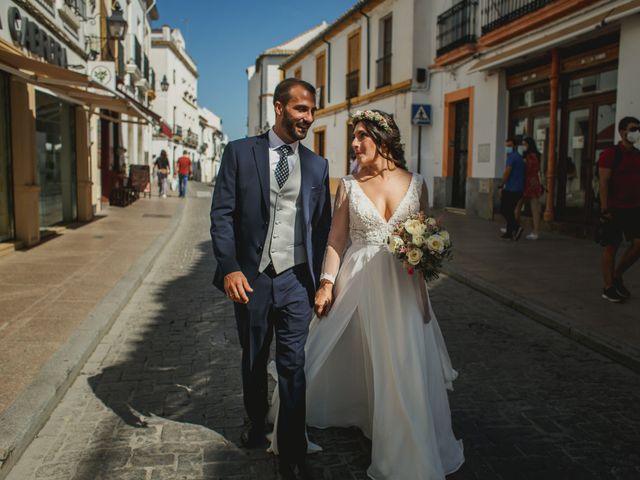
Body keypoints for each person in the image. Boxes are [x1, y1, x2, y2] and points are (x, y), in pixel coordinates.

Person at [268, 110, 464, 479]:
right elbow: (336, 240)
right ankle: (355, 413)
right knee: (339, 351)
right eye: (353, 138)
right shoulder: (349, 184)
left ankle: (406, 448)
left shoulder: (417, 183)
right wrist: (326, 283)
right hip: (357, 281)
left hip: (402, 286)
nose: (354, 145)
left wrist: (426, 268)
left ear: (383, 138)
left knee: (402, 363)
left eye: (361, 136)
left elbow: (426, 231)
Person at [210, 78, 332, 480]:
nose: (308, 118)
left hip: (296, 279)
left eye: (312, 110)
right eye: (301, 109)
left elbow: (321, 227)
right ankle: (255, 418)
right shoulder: (239, 153)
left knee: (293, 364)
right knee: (254, 357)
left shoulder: (317, 165)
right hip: (252, 278)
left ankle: (292, 448)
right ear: (278, 108)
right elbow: (222, 215)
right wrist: (229, 267)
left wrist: (323, 281)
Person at [598, 116, 640, 302]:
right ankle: (608, 288)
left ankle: (616, 275)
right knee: (611, 247)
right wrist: (605, 208)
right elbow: (604, 181)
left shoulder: (638, 155)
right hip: (614, 208)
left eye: (638, 129)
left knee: (638, 244)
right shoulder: (610, 154)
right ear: (622, 132)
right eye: (632, 129)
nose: (636, 132)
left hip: (634, 207)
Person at [515, 137, 543, 240]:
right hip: (534, 182)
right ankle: (535, 232)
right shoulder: (536, 156)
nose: (523, 146)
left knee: (518, 205)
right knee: (534, 209)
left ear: (529, 145)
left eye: (524, 144)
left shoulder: (529, 157)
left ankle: (514, 227)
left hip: (527, 182)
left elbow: (525, 169)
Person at [499, 137, 525, 240]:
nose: (507, 148)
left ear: (514, 146)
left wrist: (501, 184)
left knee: (504, 210)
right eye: (506, 146)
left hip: (512, 189)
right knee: (509, 210)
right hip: (519, 188)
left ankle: (516, 227)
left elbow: (507, 172)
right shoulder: (519, 157)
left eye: (509, 146)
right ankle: (509, 232)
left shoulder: (511, 157)